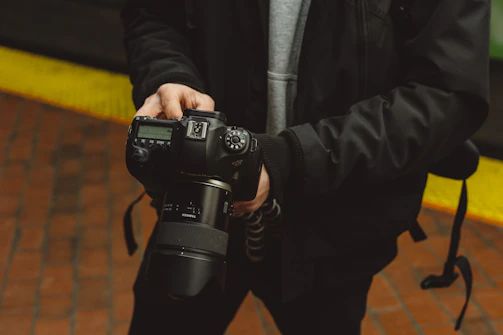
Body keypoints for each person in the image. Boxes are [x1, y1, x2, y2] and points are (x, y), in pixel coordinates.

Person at [120, 0, 490, 334]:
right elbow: (154, 15)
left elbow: (445, 95)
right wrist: (169, 77)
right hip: (199, 208)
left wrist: (288, 160)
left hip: (334, 228)